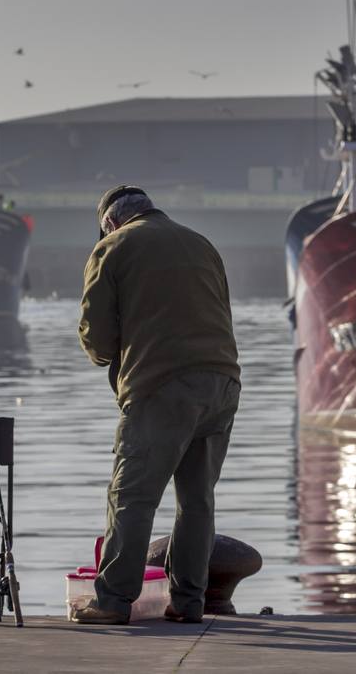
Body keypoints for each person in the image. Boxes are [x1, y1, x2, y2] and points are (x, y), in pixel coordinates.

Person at [72, 185, 241, 625]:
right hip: (222, 383)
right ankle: (187, 603)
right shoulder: (201, 243)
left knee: (132, 497)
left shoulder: (112, 247)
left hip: (162, 388)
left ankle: (111, 602)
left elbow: (98, 342)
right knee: (197, 501)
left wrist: (118, 355)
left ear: (110, 222)